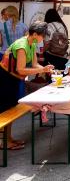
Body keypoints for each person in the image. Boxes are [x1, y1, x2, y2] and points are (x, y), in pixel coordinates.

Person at [0, 21, 54, 150]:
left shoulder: (32, 43)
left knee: (11, 107)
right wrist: (41, 70)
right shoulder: (22, 45)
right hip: (4, 79)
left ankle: (8, 138)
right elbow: (21, 69)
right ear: (35, 34)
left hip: (13, 79)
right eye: (43, 35)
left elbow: (34, 64)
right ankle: (4, 142)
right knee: (5, 109)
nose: (43, 38)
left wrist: (45, 69)